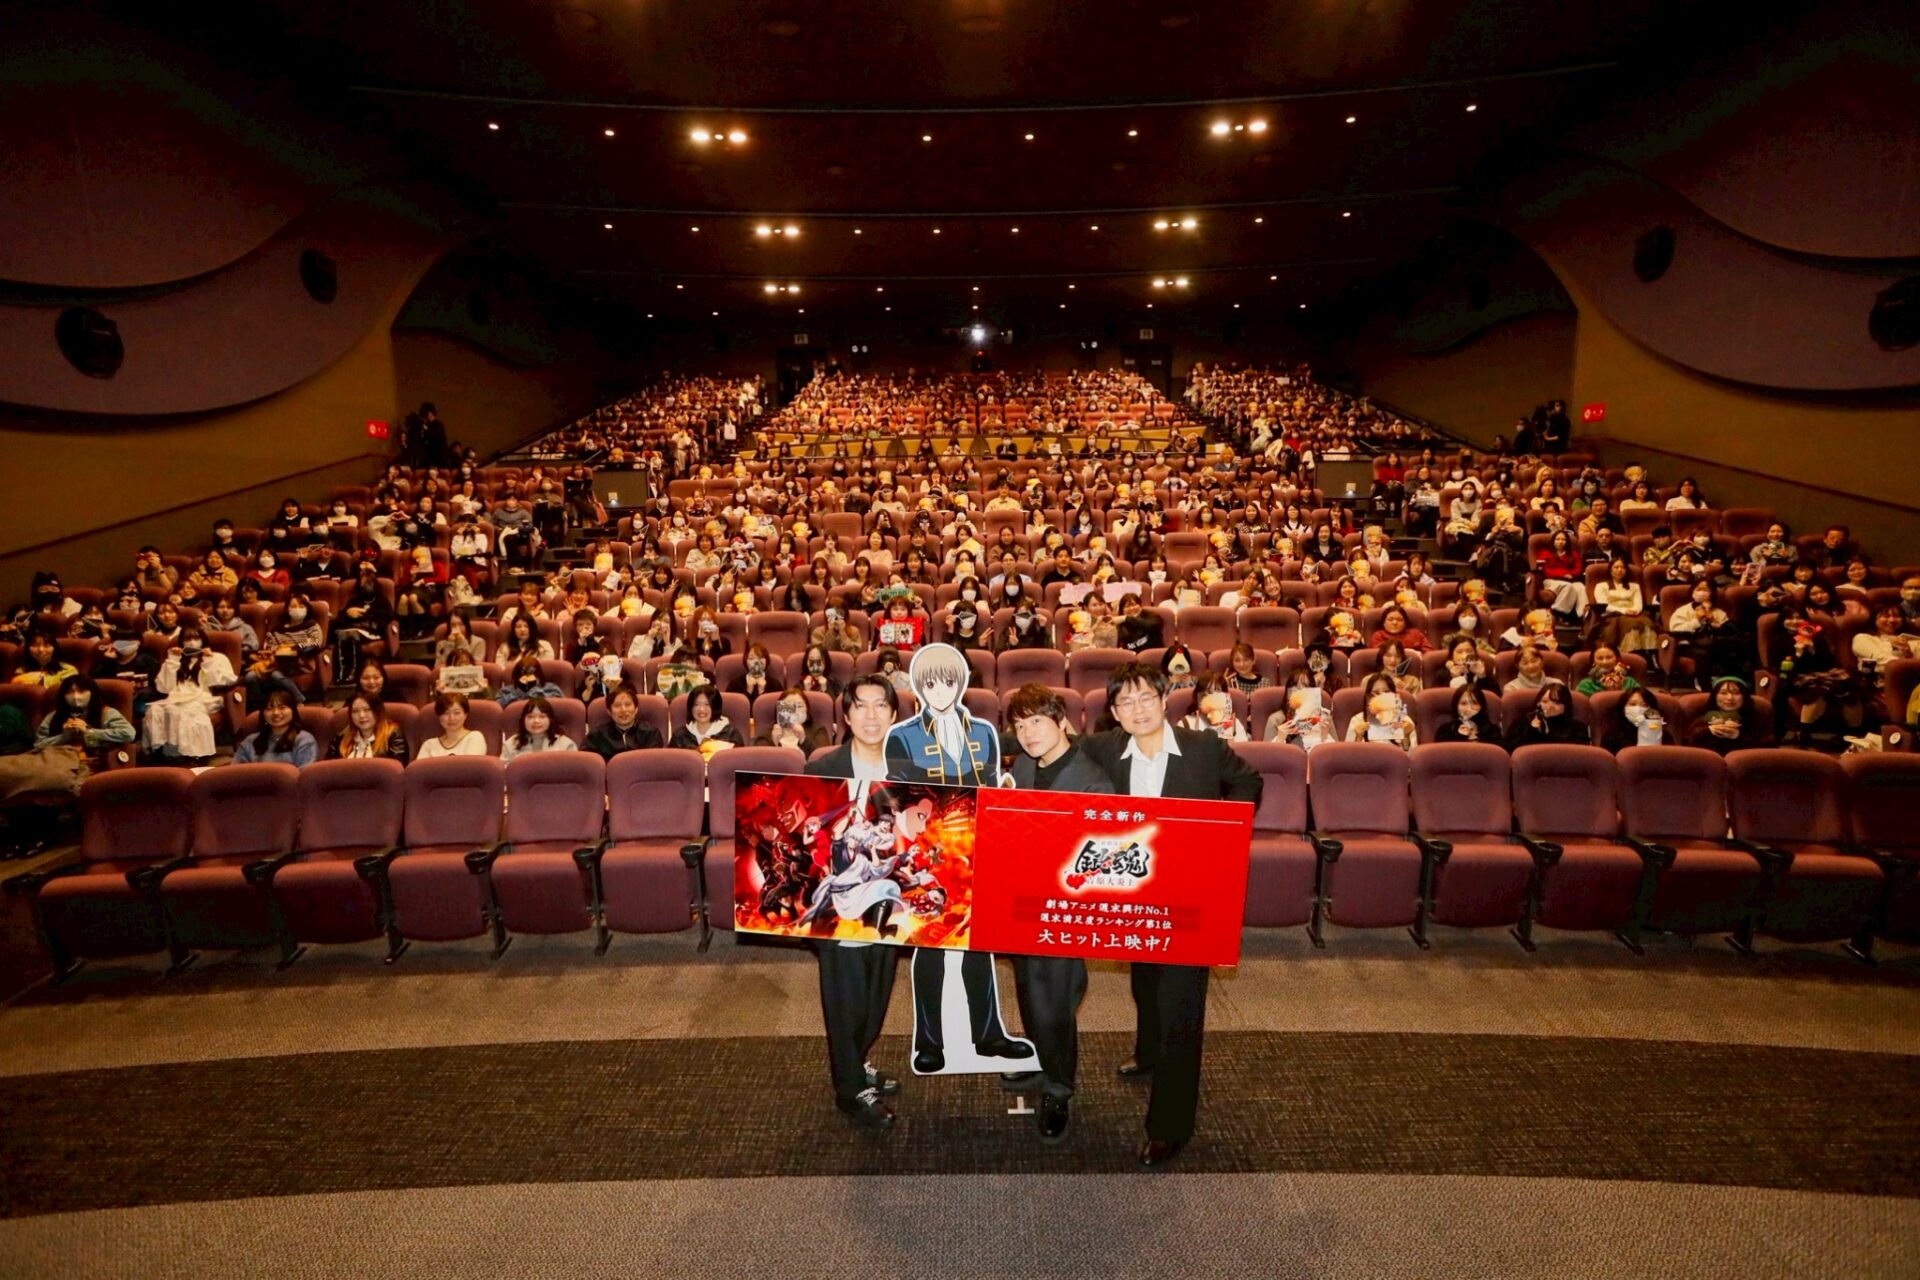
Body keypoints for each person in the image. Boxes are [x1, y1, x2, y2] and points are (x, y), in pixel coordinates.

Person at [1077, 661, 1261, 1168]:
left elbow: (1248, 781)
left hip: (1190, 896)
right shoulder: (1104, 749)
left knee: (1181, 1004)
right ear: (1114, 713)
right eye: (1125, 702)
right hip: (1134, 890)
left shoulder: (1203, 748)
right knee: (1145, 979)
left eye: (1146, 698)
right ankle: (1148, 1052)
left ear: (1164, 700)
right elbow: (1051, 751)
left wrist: (1225, 833)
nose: (1137, 709)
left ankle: (1170, 1126)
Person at [884, 644, 1033, 1076]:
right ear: (918, 686)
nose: (940, 690)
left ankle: (988, 1034)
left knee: (978, 945)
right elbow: (897, 798)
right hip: (928, 853)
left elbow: (992, 786)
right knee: (929, 946)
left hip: (977, 847)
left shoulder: (983, 732)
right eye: (930, 682)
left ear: (961, 682)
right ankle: (930, 1042)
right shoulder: (902, 735)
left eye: (948, 681)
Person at [1003, 683, 1117, 1144]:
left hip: (1066, 909)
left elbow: (1098, 859)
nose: (1028, 733)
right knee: (1030, 993)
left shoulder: (1093, 780)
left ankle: (1058, 1087)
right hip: (1025, 904)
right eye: (1019, 725)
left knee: (1056, 1003)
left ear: (1062, 721)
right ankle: (1041, 1059)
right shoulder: (1023, 766)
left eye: (1037, 721)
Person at [805, 675, 907, 1130]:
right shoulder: (821, 770)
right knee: (845, 1001)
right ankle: (850, 1089)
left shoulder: (908, 771)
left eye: (880, 705)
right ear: (846, 715)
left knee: (875, 997)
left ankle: (857, 1060)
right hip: (840, 898)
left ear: (893, 714)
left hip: (886, 900)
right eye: (860, 706)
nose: (870, 715)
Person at [144, 627, 235, 761]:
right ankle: (162, 752)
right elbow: (164, 688)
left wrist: (209, 660)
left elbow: (218, 682)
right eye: (188, 639)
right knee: (155, 710)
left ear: (203, 639)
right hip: (175, 698)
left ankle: (192, 754)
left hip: (202, 698)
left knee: (184, 711)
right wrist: (173, 661)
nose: (192, 642)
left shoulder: (217, 657)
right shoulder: (175, 658)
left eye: (196, 638)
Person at [1687, 676, 1772, 756]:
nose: (1730, 698)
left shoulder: (1757, 720)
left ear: (1744, 696)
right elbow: (1688, 746)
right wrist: (1708, 731)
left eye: (1736, 693)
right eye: (1723, 693)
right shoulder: (1703, 719)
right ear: (1715, 696)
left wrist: (1738, 736)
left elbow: (1768, 749)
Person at [233, 689, 318, 767]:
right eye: (269, 708)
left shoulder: (304, 740)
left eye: (282, 707)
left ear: (293, 711)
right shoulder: (250, 741)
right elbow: (234, 772)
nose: (276, 713)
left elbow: (304, 775)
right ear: (263, 714)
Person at [585, 685, 663, 759]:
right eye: (617, 705)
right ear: (609, 711)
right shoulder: (597, 735)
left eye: (628, 704)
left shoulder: (651, 733)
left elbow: (654, 762)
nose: (623, 710)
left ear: (636, 709)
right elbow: (588, 762)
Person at [329, 693, 411, 762]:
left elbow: (396, 768)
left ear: (378, 711)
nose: (361, 715)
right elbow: (330, 768)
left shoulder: (392, 734)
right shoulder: (343, 737)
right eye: (355, 711)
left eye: (367, 710)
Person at [670, 684, 745, 758]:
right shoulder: (680, 736)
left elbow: (740, 762)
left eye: (707, 704)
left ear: (715, 707)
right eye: (696, 704)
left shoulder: (730, 734)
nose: (701, 709)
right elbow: (671, 762)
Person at [1505, 680, 1586, 748]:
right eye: (1545, 701)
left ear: (1566, 706)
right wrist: (1531, 732)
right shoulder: (1522, 723)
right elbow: (1511, 749)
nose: (1549, 707)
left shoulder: (1577, 728)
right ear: (1538, 703)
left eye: (1556, 703)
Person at [502, 695, 578, 760]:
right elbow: (504, 770)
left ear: (550, 719)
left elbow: (574, 771)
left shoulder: (566, 745)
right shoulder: (510, 745)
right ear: (523, 720)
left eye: (542, 716)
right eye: (530, 717)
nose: (536, 721)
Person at [756, 687, 831, 752]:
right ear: (779, 710)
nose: (795, 711)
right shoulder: (765, 737)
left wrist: (803, 739)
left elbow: (823, 760)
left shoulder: (818, 731)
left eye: (799, 706)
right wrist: (774, 744)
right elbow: (759, 762)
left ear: (807, 709)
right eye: (789, 706)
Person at [417, 691, 487, 758]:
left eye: (457, 713)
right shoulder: (429, 745)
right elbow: (420, 766)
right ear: (439, 717)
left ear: (465, 715)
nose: (451, 718)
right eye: (446, 713)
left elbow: (470, 765)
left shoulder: (474, 738)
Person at [1600, 687, 1672, 753]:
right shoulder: (1611, 737)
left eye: (1644, 705)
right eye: (1632, 704)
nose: (1638, 709)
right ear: (1623, 708)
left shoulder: (1664, 736)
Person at [1434, 682, 1499, 744]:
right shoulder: (1445, 731)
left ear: (1481, 706)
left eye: (1474, 703)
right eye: (1464, 703)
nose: (1469, 708)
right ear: (1456, 706)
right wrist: (1459, 737)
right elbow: (1442, 751)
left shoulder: (1492, 731)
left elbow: (1499, 750)